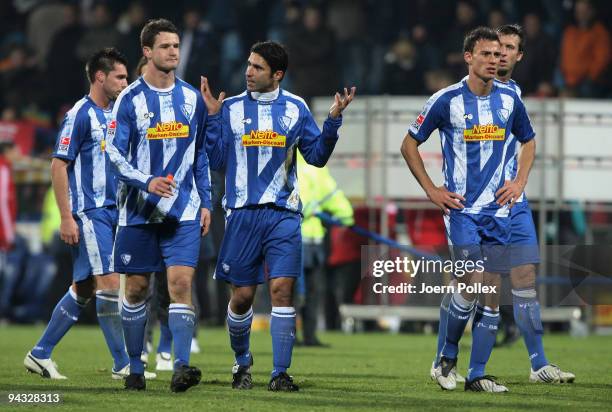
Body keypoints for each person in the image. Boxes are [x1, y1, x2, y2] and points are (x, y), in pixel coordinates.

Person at [200, 40, 355, 391]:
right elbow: (218, 160)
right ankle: (241, 362)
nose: (248, 72)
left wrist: (332, 121)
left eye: (257, 67)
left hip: (283, 215)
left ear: (277, 74)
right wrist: (211, 119)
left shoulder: (296, 108)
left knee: (282, 290)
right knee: (241, 297)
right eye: (248, 65)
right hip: (241, 214)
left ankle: (279, 373)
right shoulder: (231, 108)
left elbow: (315, 157)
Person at [401, 27, 534, 393]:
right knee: (472, 283)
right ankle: (446, 356)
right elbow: (409, 144)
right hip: (461, 212)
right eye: (487, 54)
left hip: (499, 212)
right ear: (469, 58)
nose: (494, 60)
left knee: (490, 291)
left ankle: (477, 375)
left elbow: (529, 139)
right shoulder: (446, 100)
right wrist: (432, 190)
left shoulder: (509, 100)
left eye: (498, 55)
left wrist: (520, 182)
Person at [23, 48, 155, 381]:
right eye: (121, 77)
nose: (126, 83)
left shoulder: (117, 113)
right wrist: (67, 217)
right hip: (90, 212)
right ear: (100, 76)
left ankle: (39, 354)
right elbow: (58, 165)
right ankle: (123, 364)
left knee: (83, 287)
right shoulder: (79, 114)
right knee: (110, 283)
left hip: (116, 212)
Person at [106, 18, 212, 393]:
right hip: (137, 213)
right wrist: (145, 180)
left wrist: (206, 202)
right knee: (136, 290)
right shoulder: (129, 100)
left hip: (183, 211)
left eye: (177, 46)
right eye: (166, 46)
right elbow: (114, 156)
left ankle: (182, 365)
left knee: (181, 284)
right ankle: (135, 367)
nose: (174, 52)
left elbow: (200, 155)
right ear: (147, 52)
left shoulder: (191, 99)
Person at [297, 151, 354, 346]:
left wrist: (345, 213)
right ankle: (288, 336)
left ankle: (310, 336)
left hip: (314, 239)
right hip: (291, 237)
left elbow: (331, 193)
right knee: (292, 290)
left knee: (313, 290)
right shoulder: (286, 161)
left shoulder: (316, 165)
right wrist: (302, 208)